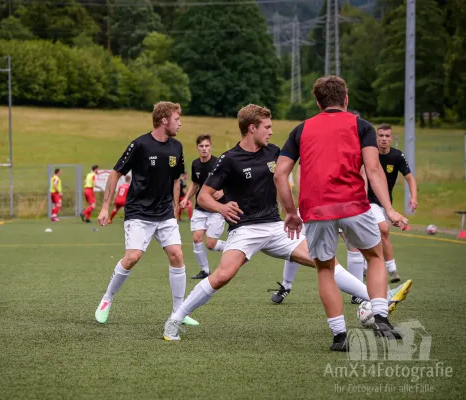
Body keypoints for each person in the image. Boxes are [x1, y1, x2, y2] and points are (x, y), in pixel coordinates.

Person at [162, 104, 399, 345]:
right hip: (246, 229)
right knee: (223, 275)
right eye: (267, 127)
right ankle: (176, 317)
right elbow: (203, 196)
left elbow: (290, 174)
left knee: (325, 262)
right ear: (252, 128)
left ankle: (382, 298)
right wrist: (222, 207)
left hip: (276, 228)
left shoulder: (274, 152)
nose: (271, 132)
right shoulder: (229, 159)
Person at [274, 76, 409, 351]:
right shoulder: (362, 126)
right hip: (354, 205)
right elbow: (373, 170)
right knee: (374, 255)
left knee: (325, 268)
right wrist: (390, 209)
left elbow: (280, 175)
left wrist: (290, 212)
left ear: (317, 102)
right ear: (345, 99)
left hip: (316, 209)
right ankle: (380, 315)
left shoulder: (301, 129)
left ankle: (339, 337)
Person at [94, 101, 197, 327]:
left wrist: (175, 205)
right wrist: (105, 207)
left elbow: (175, 179)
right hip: (139, 212)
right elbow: (115, 173)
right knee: (132, 257)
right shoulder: (140, 145)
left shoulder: (177, 147)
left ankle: (179, 311)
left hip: (164, 214)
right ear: (164, 120)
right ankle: (107, 299)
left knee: (177, 256)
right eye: (177, 119)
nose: (180, 123)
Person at [358, 124, 417, 283]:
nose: (384, 139)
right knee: (383, 228)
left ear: (391, 138)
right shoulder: (370, 154)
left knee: (382, 233)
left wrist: (413, 198)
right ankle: (391, 269)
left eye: (387, 136)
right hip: (369, 200)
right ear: (376, 137)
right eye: (381, 136)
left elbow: (410, 178)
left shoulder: (397, 156)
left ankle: (368, 265)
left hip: (385, 201)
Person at [178, 134, 227, 279]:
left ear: (210, 147)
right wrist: (186, 198)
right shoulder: (195, 164)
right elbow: (195, 184)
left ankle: (236, 248)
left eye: (207, 146)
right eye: (201, 146)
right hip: (200, 208)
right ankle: (205, 271)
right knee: (197, 238)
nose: (204, 149)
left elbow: (231, 180)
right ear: (197, 148)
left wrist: (223, 190)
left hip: (216, 208)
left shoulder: (219, 162)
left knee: (211, 244)